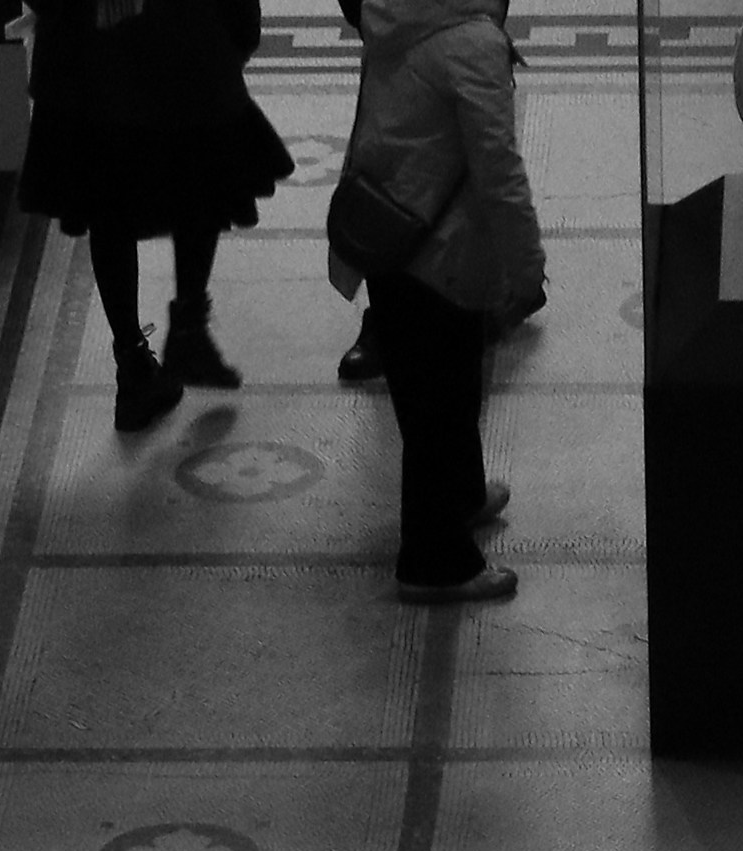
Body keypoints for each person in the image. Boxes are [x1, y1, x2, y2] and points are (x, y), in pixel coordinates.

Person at [330, 0, 544, 601]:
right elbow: (498, 172)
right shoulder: (471, 43)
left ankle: (462, 495)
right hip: (441, 252)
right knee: (440, 407)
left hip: (390, 233)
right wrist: (528, 269)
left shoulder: (393, 13)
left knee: (441, 388)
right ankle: (433, 560)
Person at [28, 0, 295, 434]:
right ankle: (185, 331)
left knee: (110, 200)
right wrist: (239, 29)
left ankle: (134, 364)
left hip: (91, 57)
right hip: (179, 41)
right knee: (199, 179)